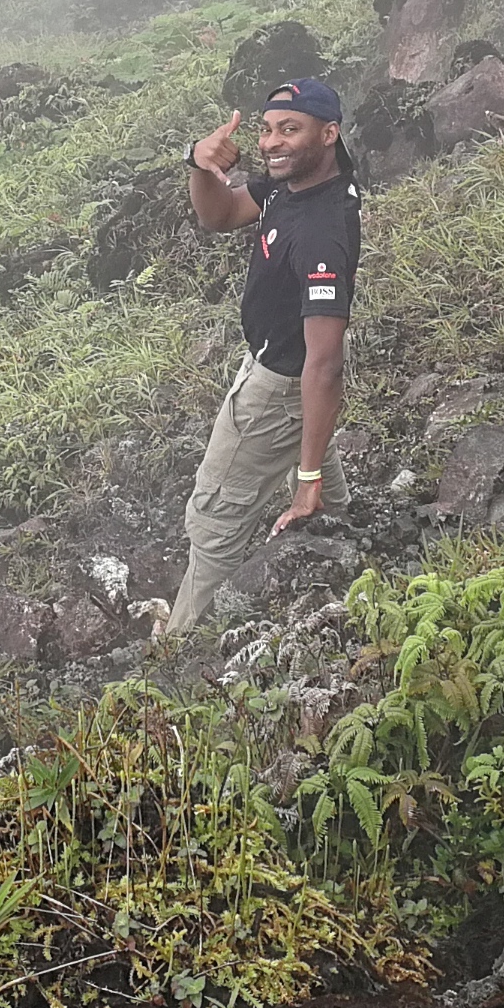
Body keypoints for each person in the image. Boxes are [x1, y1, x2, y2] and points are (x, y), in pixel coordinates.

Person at [156, 76, 361, 638]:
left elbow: (325, 365)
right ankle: (347, 546)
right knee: (318, 473)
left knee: (213, 520)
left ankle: (181, 647)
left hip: (278, 386)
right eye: (268, 129)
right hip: (287, 374)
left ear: (329, 133)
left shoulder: (320, 231)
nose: (272, 142)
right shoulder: (292, 185)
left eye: (290, 129)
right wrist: (200, 165)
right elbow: (219, 216)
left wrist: (307, 477)